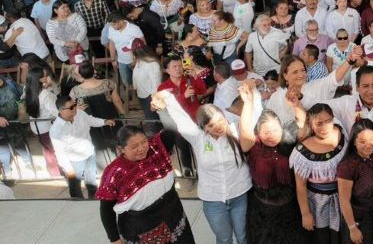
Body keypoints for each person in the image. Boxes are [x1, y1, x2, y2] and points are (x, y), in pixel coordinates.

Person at [152, 92, 252, 244]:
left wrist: (251, 96)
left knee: (243, 237)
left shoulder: (237, 131)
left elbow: (252, 116)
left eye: (220, 120)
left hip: (240, 196)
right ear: (204, 128)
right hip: (213, 201)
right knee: (224, 239)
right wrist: (166, 98)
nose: (218, 126)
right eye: (211, 125)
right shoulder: (198, 138)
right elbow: (181, 119)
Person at [97, 126, 195, 244]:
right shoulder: (113, 173)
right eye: (134, 146)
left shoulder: (157, 147)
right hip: (142, 224)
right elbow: (106, 210)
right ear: (121, 149)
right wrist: (114, 239)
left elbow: (172, 127)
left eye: (144, 142)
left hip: (173, 211)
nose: (142, 148)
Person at [236, 81, 305, 244]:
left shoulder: (287, 139)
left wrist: (296, 105)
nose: (271, 135)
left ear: (281, 128)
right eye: (266, 131)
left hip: (289, 207)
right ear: (258, 132)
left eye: (275, 130)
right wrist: (248, 103)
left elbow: (302, 123)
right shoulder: (253, 146)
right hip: (262, 209)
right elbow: (245, 130)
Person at [291, 103, 345, 244]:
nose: (324, 127)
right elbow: (300, 186)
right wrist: (305, 213)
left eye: (328, 121)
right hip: (317, 202)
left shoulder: (340, 134)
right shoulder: (301, 151)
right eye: (319, 123)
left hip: (342, 197)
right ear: (311, 124)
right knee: (322, 238)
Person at [49, 94, 116, 198]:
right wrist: (69, 170)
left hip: (89, 153)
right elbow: (59, 152)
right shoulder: (56, 130)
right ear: (61, 110)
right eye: (71, 107)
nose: (75, 108)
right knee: (75, 186)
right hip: (74, 161)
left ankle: (93, 198)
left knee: (91, 181)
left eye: (74, 105)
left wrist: (104, 122)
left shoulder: (80, 114)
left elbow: (91, 120)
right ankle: (77, 203)